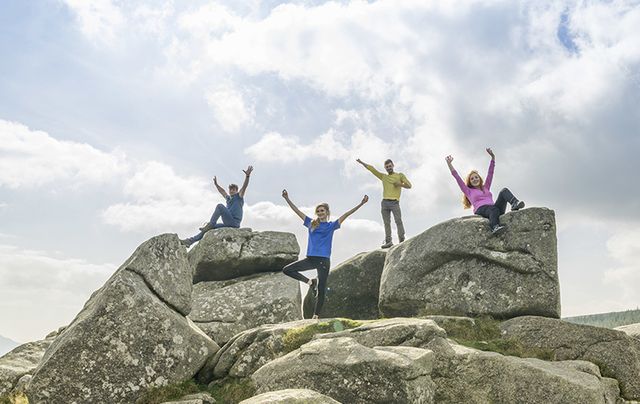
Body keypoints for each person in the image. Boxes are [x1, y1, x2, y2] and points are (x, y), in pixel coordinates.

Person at [281, 189, 368, 319]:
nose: (320, 212)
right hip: (311, 258)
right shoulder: (311, 224)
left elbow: (346, 214)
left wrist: (361, 204)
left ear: (327, 212)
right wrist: (287, 199)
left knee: (322, 288)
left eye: (323, 210)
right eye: (319, 211)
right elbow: (297, 211)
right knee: (287, 269)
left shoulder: (331, 226)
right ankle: (310, 282)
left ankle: (316, 315)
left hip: (323, 260)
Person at [445, 148, 525, 234]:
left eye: (476, 177)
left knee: (503, 191)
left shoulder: (485, 187)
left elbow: (490, 173)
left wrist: (493, 158)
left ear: (479, 178)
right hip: (481, 210)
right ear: (470, 182)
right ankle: (494, 227)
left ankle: (514, 204)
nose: (475, 179)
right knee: (493, 209)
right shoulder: (468, 191)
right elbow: (457, 177)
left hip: (494, 210)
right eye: (472, 179)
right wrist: (449, 163)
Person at [180, 166, 253, 247]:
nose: (232, 191)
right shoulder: (228, 199)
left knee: (220, 206)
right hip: (227, 223)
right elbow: (222, 191)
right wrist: (216, 184)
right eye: (230, 189)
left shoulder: (239, 197)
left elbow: (244, 187)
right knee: (211, 228)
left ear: (236, 190)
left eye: (234, 189)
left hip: (234, 222)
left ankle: (210, 224)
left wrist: (247, 176)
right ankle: (190, 241)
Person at [356, 158, 411, 248]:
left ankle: (401, 239)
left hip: (395, 202)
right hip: (385, 202)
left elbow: (409, 185)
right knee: (386, 223)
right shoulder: (384, 177)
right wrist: (362, 163)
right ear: (385, 168)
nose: (389, 168)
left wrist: (400, 184)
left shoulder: (400, 175)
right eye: (387, 167)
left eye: (390, 166)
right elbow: (372, 169)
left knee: (398, 220)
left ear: (393, 165)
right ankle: (388, 241)